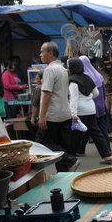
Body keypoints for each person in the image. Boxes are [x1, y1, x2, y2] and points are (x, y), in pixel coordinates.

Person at [37, 41, 79, 172]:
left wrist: (42, 116)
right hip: (64, 113)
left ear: (50, 53)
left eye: (42, 51)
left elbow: (47, 95)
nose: (40, 55)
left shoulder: (49, 70)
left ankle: (70, 159)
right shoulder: (62, 69)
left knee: (41, 143)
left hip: (53, 115)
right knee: (62, 145)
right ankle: (64, 174)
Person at [67, 58, 112, 164]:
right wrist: (87, 98)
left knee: (74, 135)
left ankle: (71, 159)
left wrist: (73, 114)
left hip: (80, 111)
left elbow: (73, 99)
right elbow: (96, 93)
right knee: (96, 133)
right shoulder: (87, 78)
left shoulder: (73, 81)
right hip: (91, 109)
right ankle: (107, 155)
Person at [76, 55, 112, 156]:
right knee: (101, 127)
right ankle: (108, 149)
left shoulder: (85, 77)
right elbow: (103, 92)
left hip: (90, 107)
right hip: (100, 105)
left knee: (87, 128)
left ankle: (81, 150)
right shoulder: (98, 75)